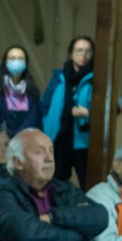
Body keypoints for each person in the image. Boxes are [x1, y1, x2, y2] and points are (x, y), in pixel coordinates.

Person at [40, 35, 96, 185]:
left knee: (88, 183)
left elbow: (111, 109)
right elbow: (45, 105)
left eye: (88, 51)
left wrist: (89, 114)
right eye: (79, 50)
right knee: (56, 183)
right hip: (59, 137)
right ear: (71, 53)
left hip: (83, 141)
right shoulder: (59, 77)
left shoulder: (97, 79)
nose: (83, 55)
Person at [0, 46, 42, 135]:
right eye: (12, 58)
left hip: (25, 141)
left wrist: (21, 136)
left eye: (20, 59)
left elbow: (35, 118)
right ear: (5, 62)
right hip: (0, 140)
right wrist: (6, 133)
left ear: (26, 63)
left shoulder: (32, 91)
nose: (17, 62)